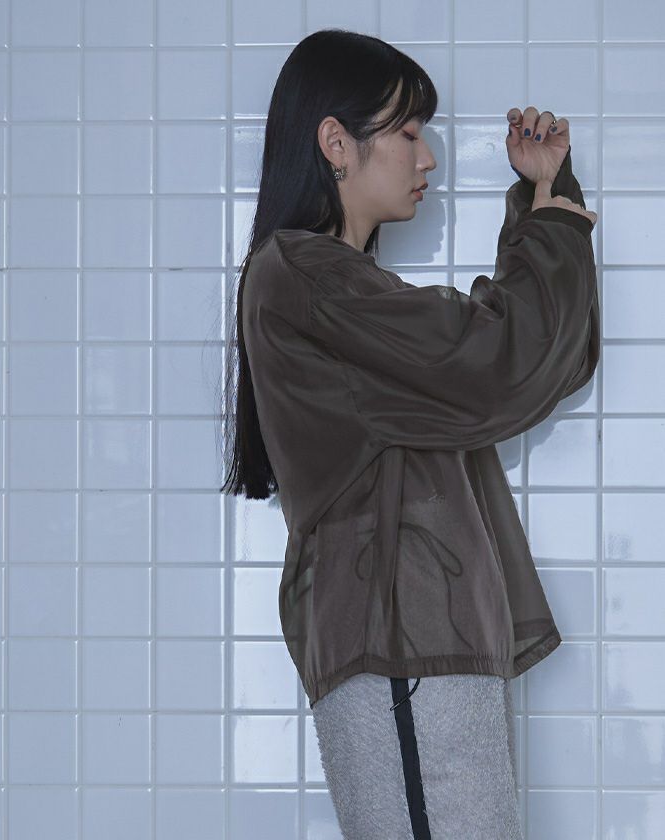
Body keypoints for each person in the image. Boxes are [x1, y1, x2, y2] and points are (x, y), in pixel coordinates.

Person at [221, 28, 599, 840]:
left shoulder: (338, 289)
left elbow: (534, 365)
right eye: (407, 132)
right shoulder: (302, 277)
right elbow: (498, 362)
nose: (427, 158)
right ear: (335, 143)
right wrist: (550, 222)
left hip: (421, 641)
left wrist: (546, 200)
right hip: (402, 639)